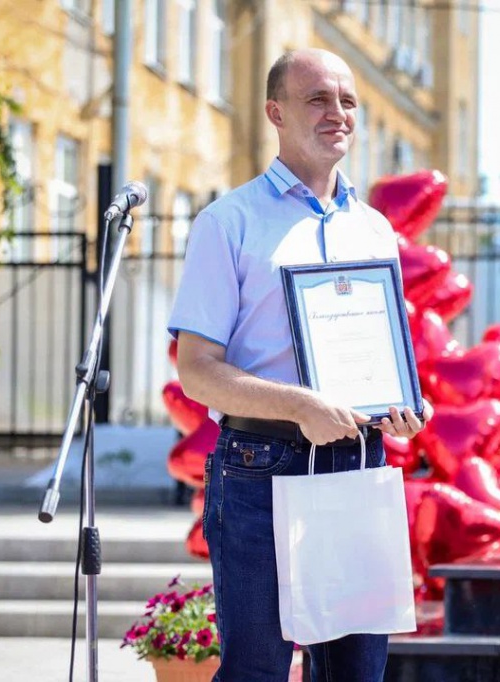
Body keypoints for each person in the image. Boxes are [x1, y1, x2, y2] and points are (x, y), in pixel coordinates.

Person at [168, 48, 431, 682]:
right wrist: (299, 405)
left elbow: (391, 354)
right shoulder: (228, 222)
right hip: (260, 469)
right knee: (257, 670)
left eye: (348, 101)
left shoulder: (373, 231)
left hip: (358, 461)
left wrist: (405, 406)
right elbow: (197, 369)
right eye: (318, 99)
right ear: (275, 112)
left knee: (355, 673)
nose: (338, 113)